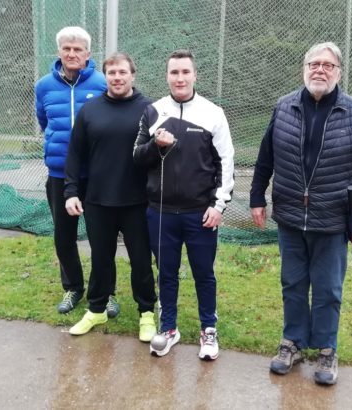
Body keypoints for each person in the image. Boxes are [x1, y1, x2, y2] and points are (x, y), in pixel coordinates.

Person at [249, 42, 352, 385]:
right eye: (314, 64)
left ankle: (326, 350)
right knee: (292, 283)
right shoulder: (284, 107)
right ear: (304, 68)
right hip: (290, 216)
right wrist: (256, 197)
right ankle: (291, 342)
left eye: (327, 65)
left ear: (338, 72)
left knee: (328, 289)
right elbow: (265, 158)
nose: (319, 70)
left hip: (333, 220)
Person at [133, 49, 235, 360]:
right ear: (167, 76)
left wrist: (218, 206)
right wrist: (156, 145)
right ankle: (169, 328)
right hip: (161, 213)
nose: (180, 78)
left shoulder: (212, 113)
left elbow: (226, 162)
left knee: (204, 273)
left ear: (194, 75)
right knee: (166, 272)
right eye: (174, 72)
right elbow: (137, 157)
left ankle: (208, 330)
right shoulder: (153, 112)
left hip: (199, 214)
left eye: (185, 72)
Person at [63, 52, 157, 341]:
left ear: (133, 75)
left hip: (137, 202)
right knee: (101, 259)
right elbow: (75, 154)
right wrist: (70, 191)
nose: (117, 77)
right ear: (105, 76)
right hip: (97, 201)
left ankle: (146, 314)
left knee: (141, 260)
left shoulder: (149, 110)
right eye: (112, 72)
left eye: (122, 72)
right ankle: (97, 309)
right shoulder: (90, 110)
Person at [34, 27, 117, 315]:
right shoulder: (44, 85)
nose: (72, 54)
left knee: (101, 238)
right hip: (59, 174)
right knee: (63, 236)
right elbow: (45, 122)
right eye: (66, 48)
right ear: (59, 52)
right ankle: (73, 288)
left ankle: (105, 292)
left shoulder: (101, 82)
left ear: (88, 54)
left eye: (77, 49)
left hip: (96, 177)